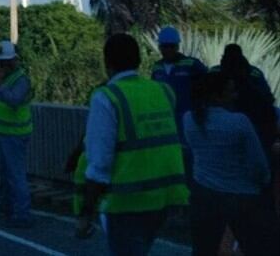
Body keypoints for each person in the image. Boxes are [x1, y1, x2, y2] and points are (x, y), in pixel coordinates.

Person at [73, 33, 188, 256]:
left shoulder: (106, 97)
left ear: (107, 63)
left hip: (126, 202)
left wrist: (86, 213)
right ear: (139, 60)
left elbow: (99, 163)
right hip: (164, 198)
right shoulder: (164, 91)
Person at [184, 72, 279, 256]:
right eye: (230, 91)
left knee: (204, 248)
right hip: (242, 196)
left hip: (204, 194)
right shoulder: (239, 122)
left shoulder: (189, 119)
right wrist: (263, 182)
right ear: (218, 95)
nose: (235, 95)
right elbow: (258, 164)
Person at [150, 26, 207, 179]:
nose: (167, 50)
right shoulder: (157, 67)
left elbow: (208, 85)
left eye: (171, 46)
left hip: (188, 118)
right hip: (166, 121)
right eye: (164, 47)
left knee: (189, 158)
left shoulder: (191, 64)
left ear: (177, 46)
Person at [0, 40, 34, 227]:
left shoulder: (20, 79)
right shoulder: (10, 78)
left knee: (16, 175)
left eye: (1, 63)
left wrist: (0, 85)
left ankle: (22, 214)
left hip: (16, 133)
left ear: (10, 62)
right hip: (5, 132)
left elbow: (14, 100)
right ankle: (6, 204)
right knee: (6, 172)